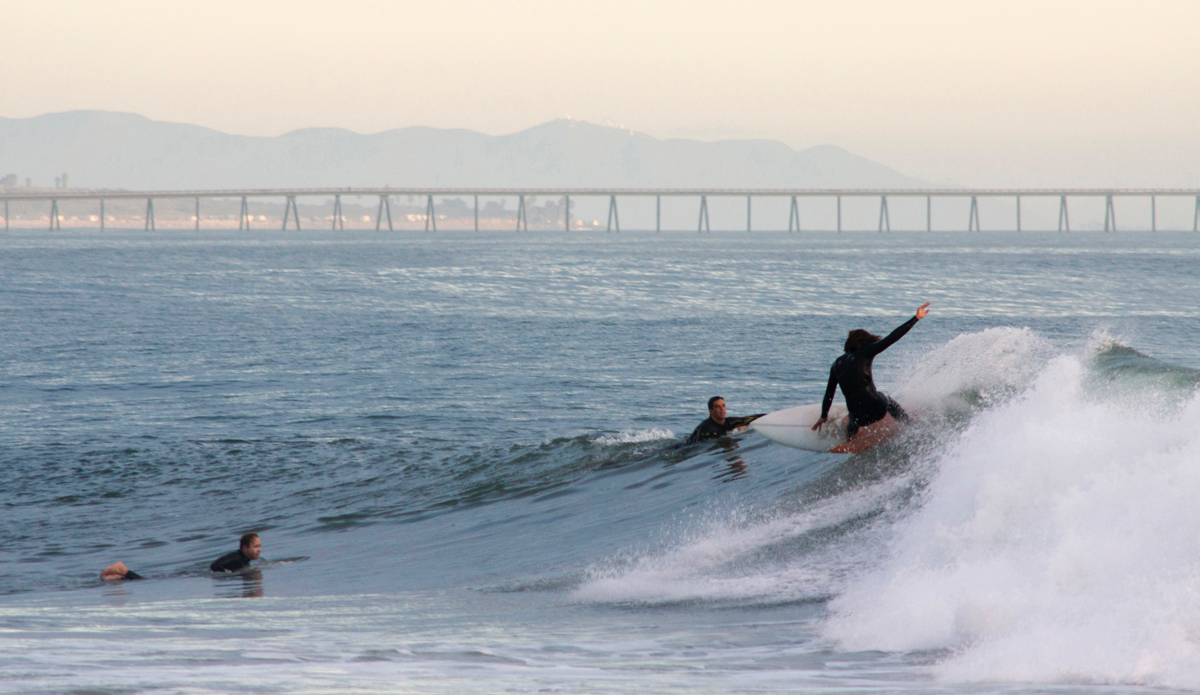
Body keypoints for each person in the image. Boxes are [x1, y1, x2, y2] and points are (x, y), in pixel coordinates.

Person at [813, 303, 931, 440]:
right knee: (886, 399)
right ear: (865, 343)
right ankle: (909, 424)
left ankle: (849, 438)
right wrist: (916, 318)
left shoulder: (836, 364)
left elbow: (829, 393)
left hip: (860, 418)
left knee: (852, 416)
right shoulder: (866, 352)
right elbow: (892, 337)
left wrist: (824, 415)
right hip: (877, 409)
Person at [687, 397, 766, 445]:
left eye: (723, 406)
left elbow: (748, 419)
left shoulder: (728, 422)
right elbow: (694, 445)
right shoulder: (706, 429)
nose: (722, 409)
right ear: (711, 411)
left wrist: (768, 415)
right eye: (718, 407)